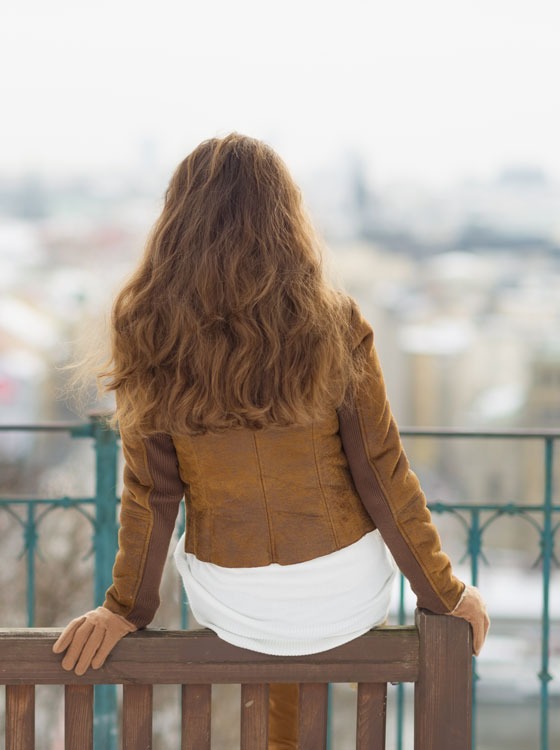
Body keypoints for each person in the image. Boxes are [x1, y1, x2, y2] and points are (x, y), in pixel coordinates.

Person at [52, 133, 489, 749]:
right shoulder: (335, 321)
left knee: (270, 628)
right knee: (313, 619)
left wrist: (125, 608)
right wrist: (445, 594)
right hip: (343, 591)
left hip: (233, 600)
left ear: (177, 221)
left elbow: (153, 494)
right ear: (286, 220)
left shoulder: (147, 327)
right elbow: (381, 471)